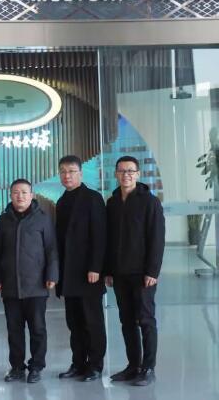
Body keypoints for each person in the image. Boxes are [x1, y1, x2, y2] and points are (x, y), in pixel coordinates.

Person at [106, 156, 165, 387]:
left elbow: (157, 239)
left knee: (146, 320)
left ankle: (148, 368)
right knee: (127, 321)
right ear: (116, 174)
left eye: (130, 171)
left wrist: (153, 271)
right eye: (122, 171)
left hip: (143, 274)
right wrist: (108, 270)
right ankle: (133, 366)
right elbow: (109, 240)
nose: (126, 175)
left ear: (138, 174)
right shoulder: (112, 203)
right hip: (120, 273)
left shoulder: (150, 202)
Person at [0, 179, 58, 384]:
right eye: (16, 192)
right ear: (10, 195)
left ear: (31, 195)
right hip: (11, 284)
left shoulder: (43, 219)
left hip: (36, 284)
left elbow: (51, 249)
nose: (20, 196)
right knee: (14, 330)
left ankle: (36, 367)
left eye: (24, 192)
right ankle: (17, 367)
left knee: (37, 328)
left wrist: (52, 275)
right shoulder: (3, 220)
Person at [55, 155, 107, 382]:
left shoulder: (93, 198)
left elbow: (100, 236)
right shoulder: (62, 201)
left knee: (92, 322)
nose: (67, 175)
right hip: (69, 273)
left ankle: (95, 365)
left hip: (89, 273)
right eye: (63, 171)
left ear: (80, 173)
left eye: (71, 171)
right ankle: (78, 363)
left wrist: (96, 267)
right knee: (74, 322)